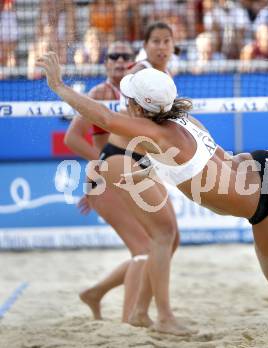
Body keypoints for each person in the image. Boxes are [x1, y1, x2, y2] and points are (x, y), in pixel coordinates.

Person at [38, 51, 268, 306]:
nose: (124, 102)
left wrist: (59, 86)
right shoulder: (178, 116)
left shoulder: (155, 134)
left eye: (129, 98)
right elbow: (139, 100)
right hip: (265, 164)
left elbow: (103, 120)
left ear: (138, 106)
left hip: (266, 203)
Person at [64, 42, 188, 335]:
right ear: (105, 63)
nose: (120, 61)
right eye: (113, 56)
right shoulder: (102, 94)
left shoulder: (142, 90)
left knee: (166, 241)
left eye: (125, 57)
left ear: (134, 62)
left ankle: (98, 294)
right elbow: (72, 138)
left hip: (131, 170)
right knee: (145, 249)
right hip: (111, 177)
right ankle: (129, 322)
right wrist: (104, 166)